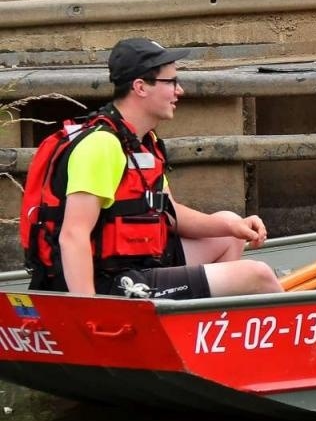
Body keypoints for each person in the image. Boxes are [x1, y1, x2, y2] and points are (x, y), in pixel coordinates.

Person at [23, 38, 283, 300]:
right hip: (107, 283)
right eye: (171, 82)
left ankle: (201, 321)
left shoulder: (144, 142)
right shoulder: (101, 145)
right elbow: (73, 235)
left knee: (228, 231)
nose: (179, 91)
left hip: (140, 266)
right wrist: (91, 311)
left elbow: (171, 213)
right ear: (140, 87)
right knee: (257, 274)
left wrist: (233, 226)